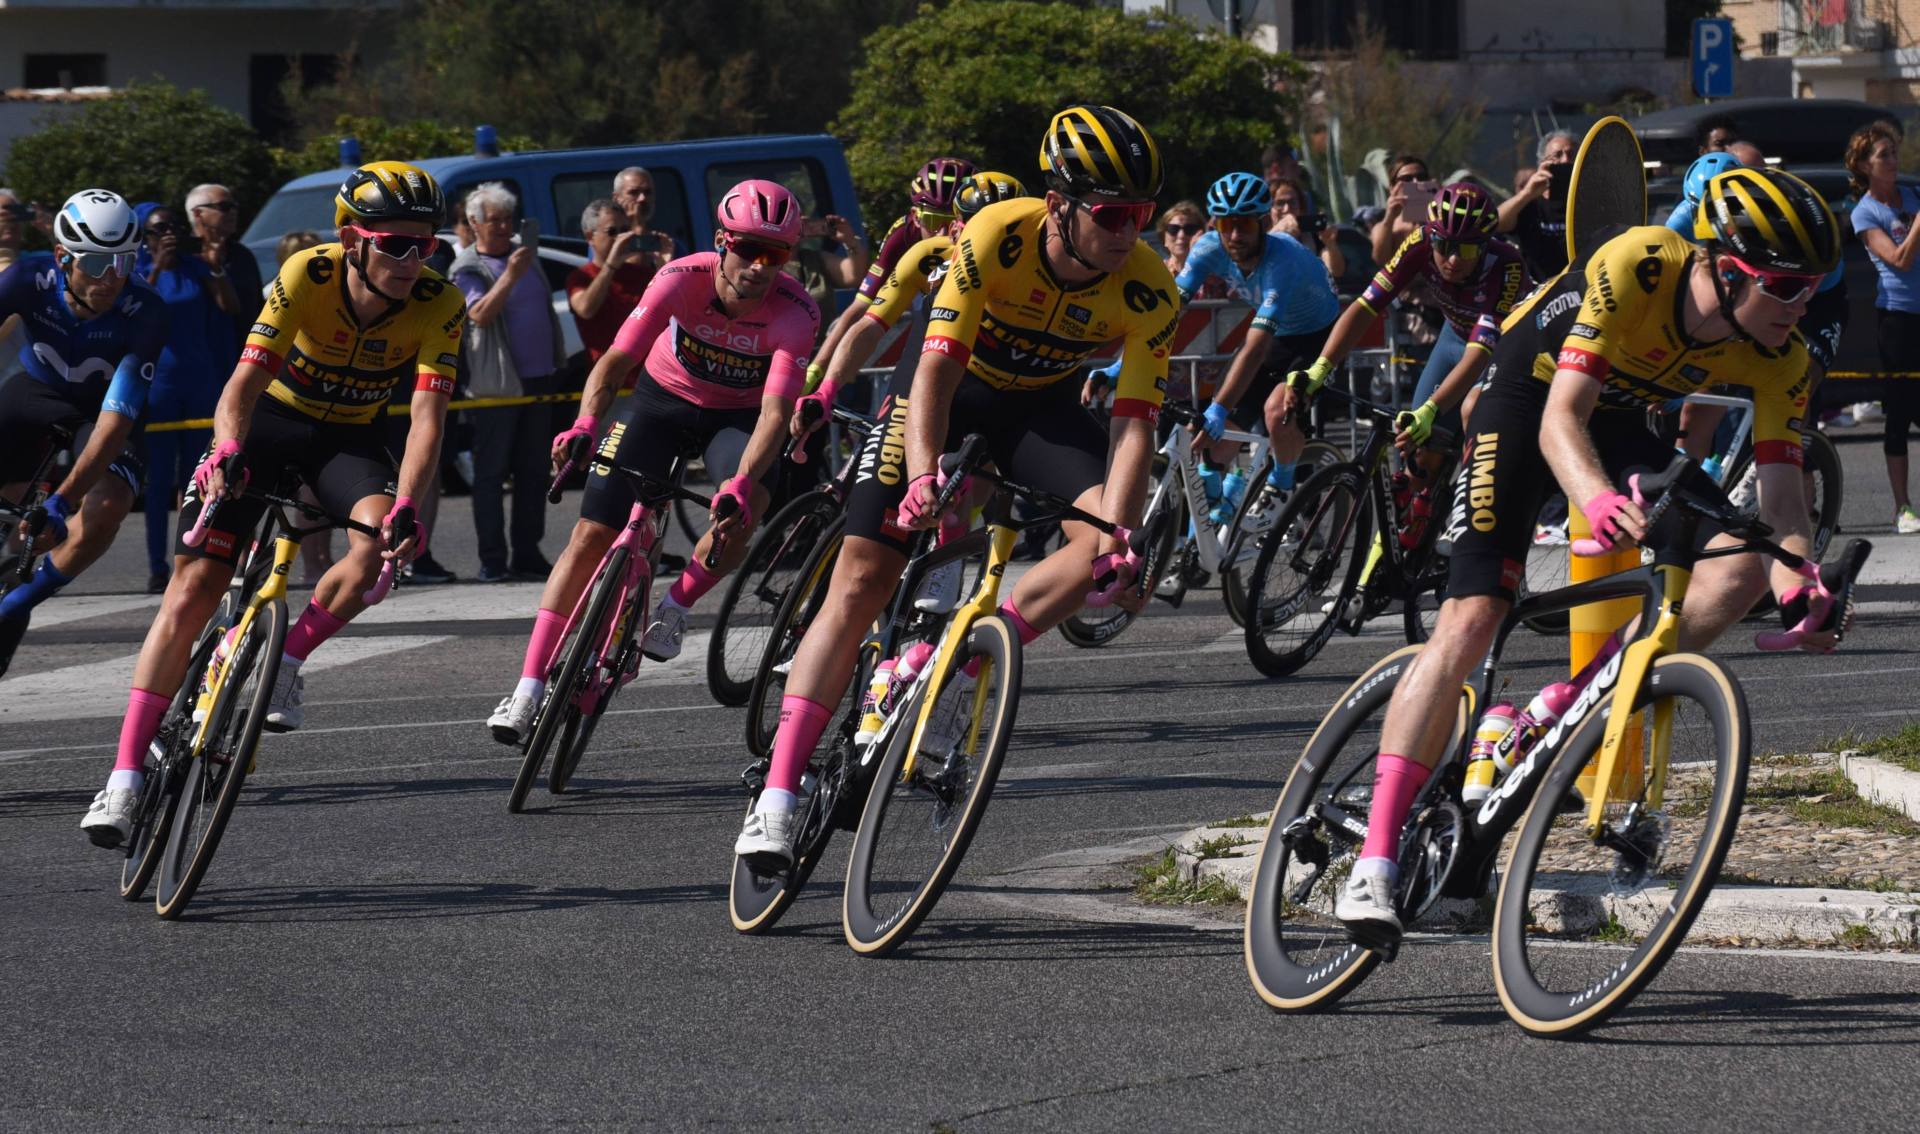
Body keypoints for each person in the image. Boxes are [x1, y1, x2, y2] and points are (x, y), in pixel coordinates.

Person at [1333, 168, 1846, 946]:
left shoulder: (1780, 356)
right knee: (1471, 619)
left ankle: (1555, 706)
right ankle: (1372, 863)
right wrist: (1598, 500)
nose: (1803, 304)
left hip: (1614, 420)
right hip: (1528, 399)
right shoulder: (1640, 264)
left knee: (1741, 563)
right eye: (1787, 286)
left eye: (1814, 286)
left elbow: (1783, 503)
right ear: (1729, 268)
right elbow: (1558, 422)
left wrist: (1799, 581)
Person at [733, 105, 1178, 866]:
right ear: (1061, 204)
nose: (1127, 232)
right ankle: (775, 797)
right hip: (947, 388)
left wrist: (1122, 536)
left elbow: (1133, 425)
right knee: (863, 578)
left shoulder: (1148, 289)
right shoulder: (995, 234)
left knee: (1098, 548)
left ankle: (964, 660)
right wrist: (923, 476)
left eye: (1141, 214)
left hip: (1038, 410)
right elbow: (934, 368)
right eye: (1111, 214)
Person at [79, 161, 465, 845]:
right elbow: (243, 383)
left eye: (424, 244)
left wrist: (407, 503)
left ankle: (286, 657)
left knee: (381, 553)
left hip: (349, 438)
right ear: (353, 240)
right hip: (271, 421)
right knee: (193, 590)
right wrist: (227, 448)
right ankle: (124, 778)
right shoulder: (306, 275)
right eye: (395, 243)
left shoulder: (440, 301)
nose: (412, 259)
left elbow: (427, 418)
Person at [485, 180, 820, 742]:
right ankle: (526, 689)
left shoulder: (795, 312)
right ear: (721, 242)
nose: (760, 267)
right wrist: (585, 424)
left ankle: (674, 604)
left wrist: (739, 482)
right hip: (660, 402)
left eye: (776, 255)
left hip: (735, 419)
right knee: (591, 535)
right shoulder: (679, 279)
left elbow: (774, 413)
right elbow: (615, 361)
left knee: (748, 506)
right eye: (748, 250)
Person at [799, 169, 1028, 611]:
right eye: (946, 221)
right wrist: (824, 386)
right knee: (867, 544)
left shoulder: (1032, 273)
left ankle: (951, 552)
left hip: (981, 392)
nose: (946, 229)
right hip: (918, 385)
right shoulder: (924, 251)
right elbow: (866, 323)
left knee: (979, 467)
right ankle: (813, 619)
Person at [1290, 182, 1529, 541]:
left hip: (1505, 349)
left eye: (1466, 249)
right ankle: (1394, 548)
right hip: (1454, 337)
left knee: (1471, 411)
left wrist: (1432, 408)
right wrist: (1321, 368)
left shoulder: (1506, 264)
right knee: (1415, 454)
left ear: (1483, 245)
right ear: (1433, 237)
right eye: (1445, 246)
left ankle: (1470, 510)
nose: (1453, 259)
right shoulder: (1419, 241)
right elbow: (1366, 305)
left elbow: (1482, 351)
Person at [1100, 171, 1340, 525]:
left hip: (1319, 335)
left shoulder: (1281, 261)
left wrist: (1218, 407)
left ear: (1262, 223)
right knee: (1213, 445)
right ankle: (1218, 517)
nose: (1235, 235)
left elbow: (1255, 350)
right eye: (1227, 225)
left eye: (1244, 225)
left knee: (1276, 410)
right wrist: (1122, 366)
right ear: (1216, 224)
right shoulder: (1209, 248)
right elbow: (1169, 313)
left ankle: (1283, 487)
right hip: (1280, 334)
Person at [0, 190, 166, 678]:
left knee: (110, 502)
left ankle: (18, 599)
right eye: (95, 264)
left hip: (103, 408)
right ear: (61, 257)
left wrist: (65, 500)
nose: (112, 278)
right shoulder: (27, 278)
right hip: (37, 389)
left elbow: (115, 422)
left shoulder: (146, 309)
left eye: (124, 261)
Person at [452, 181, 567, 582]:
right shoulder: (468, 266)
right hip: (496, 387)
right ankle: (492, 558)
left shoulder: (524, 256)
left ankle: (527, 551)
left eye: (507, 219)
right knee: (491, 474)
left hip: (538, 380)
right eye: (494, 220)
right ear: (474, 223)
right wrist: (510, 276)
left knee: (534, 470)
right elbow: (478, 314)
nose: (503, 228)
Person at [135, 202, 243, 595]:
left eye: (174, 228)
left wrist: (214, 264)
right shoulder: (138, 271)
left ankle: (193, 556)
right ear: (144, 236)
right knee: (160, 478)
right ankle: (156, 565)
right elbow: (133, 309)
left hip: (200, 380)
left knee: (199, 478)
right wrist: (157, 266)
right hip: (159, 384)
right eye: (159, 229)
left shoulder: (196, 266)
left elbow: (229, 306)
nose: (168, 235)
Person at [807, 156, 975, 393]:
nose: (945, 232)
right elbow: (859, 310)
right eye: (933, 220)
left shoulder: (986, 235)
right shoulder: (903, 235)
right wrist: (816, 372)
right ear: (916, 217)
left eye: (954, 221)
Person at [1845, 121, 1920, 533]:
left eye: (1894, 152)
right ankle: (1902, 507)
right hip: (1897, 317)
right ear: (1863, 165)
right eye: (1883, 155)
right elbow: (1898, 260)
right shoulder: (1865, 213)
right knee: (1899, 413)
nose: (1892, 161)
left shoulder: (1912, 196)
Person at [567, 197, 653, 361]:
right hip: (607, 376)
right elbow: (585, 309)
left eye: (625, 230)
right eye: (613, 232)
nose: (621, 238)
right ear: (590, 236)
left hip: (645, 374)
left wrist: (666, 263)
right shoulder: (580, 277)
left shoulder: (642, 274)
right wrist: (610, 266)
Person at [185, 183, 265, 348]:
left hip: (244, 355)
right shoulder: (183, 257)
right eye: (224, 207)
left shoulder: (243, 255)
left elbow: (259, 308)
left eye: (234, 206)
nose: (233, 212)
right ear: (198, 213)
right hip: (201, 358)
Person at [1497, 129, 1576, 282]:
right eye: (1557, 155)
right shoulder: (1531, 204)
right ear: (1542, 163)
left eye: (1571, 155)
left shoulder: (1589, 202)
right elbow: (1496, 223)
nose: (1566, 160)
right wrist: (1526, 193)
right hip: (1538, 293)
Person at [1268, 175, 1346, 281]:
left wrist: (1331, 245)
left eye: (1292, 203)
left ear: (1301, 208)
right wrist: (1277, 234)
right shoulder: (1260, 239)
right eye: (1279, 203)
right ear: (1270, 209)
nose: (1287, 209)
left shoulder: (1314, 238)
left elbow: (1336, 271)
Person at [1370, 154, 1433, 268]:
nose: (1415, 182)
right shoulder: (1384, 228)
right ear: (1392, 188)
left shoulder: (1441, 221)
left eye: (1421, 177)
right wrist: (1389, 218)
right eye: (1406, 179)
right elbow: (1380, 261)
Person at [611, 166, 678, 272]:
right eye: (633, 192)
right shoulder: (606, 241)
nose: (642, 198)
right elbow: (633, 271)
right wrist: (637, 225)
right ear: (616, 198)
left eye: (647, 192)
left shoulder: (667, 245)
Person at [1156, 200, 1206, 277]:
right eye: (1173, 229)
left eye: (1189, 229)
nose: (1181, 235)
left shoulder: (1213, 275)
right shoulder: (1155, 272)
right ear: (1163, 236)